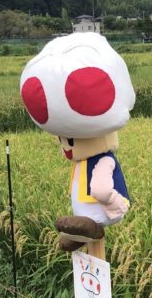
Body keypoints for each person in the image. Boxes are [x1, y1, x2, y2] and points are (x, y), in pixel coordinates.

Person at [19, 32, 134, 251]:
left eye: (68, 141)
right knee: (79, 224)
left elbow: (101, 190)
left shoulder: (102, 161)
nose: (67, 148)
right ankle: (81, 233)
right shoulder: (81, 163)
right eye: (63, 141)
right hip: (86, 213)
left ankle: (89, 228)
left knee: (88, 220)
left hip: (107, 211)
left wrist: (116, 205)